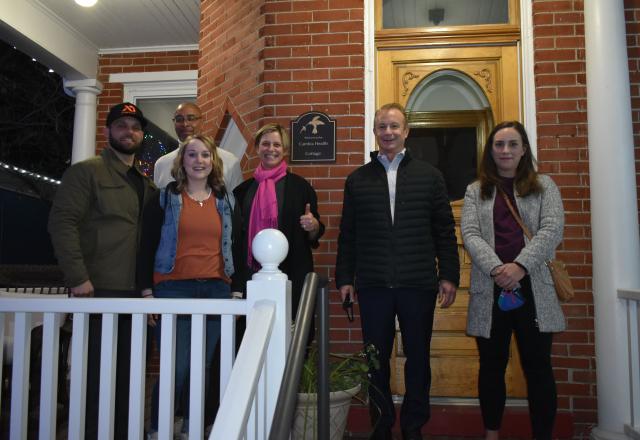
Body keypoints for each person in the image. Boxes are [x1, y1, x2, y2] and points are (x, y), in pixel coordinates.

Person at [335, 103, 460, 440]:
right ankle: (381, 425)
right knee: (375, 361)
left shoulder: (430, 176)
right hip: (373, 284)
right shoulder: (357, 180)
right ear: (375, 132)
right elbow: (348, 233)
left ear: (406, 132)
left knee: (417, 358)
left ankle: (413, 425)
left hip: (417, 283)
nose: (388, 132)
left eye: (394, 126)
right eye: (381, 126)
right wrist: (345, 278)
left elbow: (445, 231)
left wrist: (448, 274)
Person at [48, 102, 156, 439]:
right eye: (121, 125)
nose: (129, 131)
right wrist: (78, 277)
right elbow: (62, 223)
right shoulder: (87, 172)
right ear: (108, 131)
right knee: (97, 376)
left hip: (137, 295)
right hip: (98, 290)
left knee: (130, 375)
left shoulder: (146, 184)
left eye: (135, 126)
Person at [460, 121, 566, 440]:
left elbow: (551, 231)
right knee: (491, 367)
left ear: (523, 150)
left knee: (538, 368)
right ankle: (492, 433)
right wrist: (498, 269)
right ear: (490, 150)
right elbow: (470, 233)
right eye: (499, 145)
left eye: (512, 144)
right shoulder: (475, 190)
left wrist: (518, 266)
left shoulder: (545, 186)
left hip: (534, 289)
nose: (505, 151)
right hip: (490, 290)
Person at [139, 134, 239, 439]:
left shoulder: (226, 201)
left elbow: (235, 244)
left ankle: (192, 429)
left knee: (203, 369)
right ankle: (160, 428)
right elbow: (146, 246)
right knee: (176, 367)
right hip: (173, 289)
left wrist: (235, 289)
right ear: (182, 161)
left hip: (216, 290)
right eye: (192, 155)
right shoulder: (164, 197)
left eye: (205, 155)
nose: (199, 161)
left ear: (214, 162)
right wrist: (146, 291)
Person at [233, 123, 324, 318]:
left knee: (291, 334)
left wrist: (313, 226)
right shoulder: (242, 192)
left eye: (277, 145)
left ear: (285, 150)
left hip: (292, 274)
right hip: (250, 276)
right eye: (265, 144)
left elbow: (315, 233)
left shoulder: (301, 188)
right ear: (257, 148)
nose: (271, 149)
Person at [154, 102, 243, 191]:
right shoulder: (161, 164)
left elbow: (237, 201)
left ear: (202, 122)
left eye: (191, 118)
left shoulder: (229, 160)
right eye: (179, 119)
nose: (185, 124)